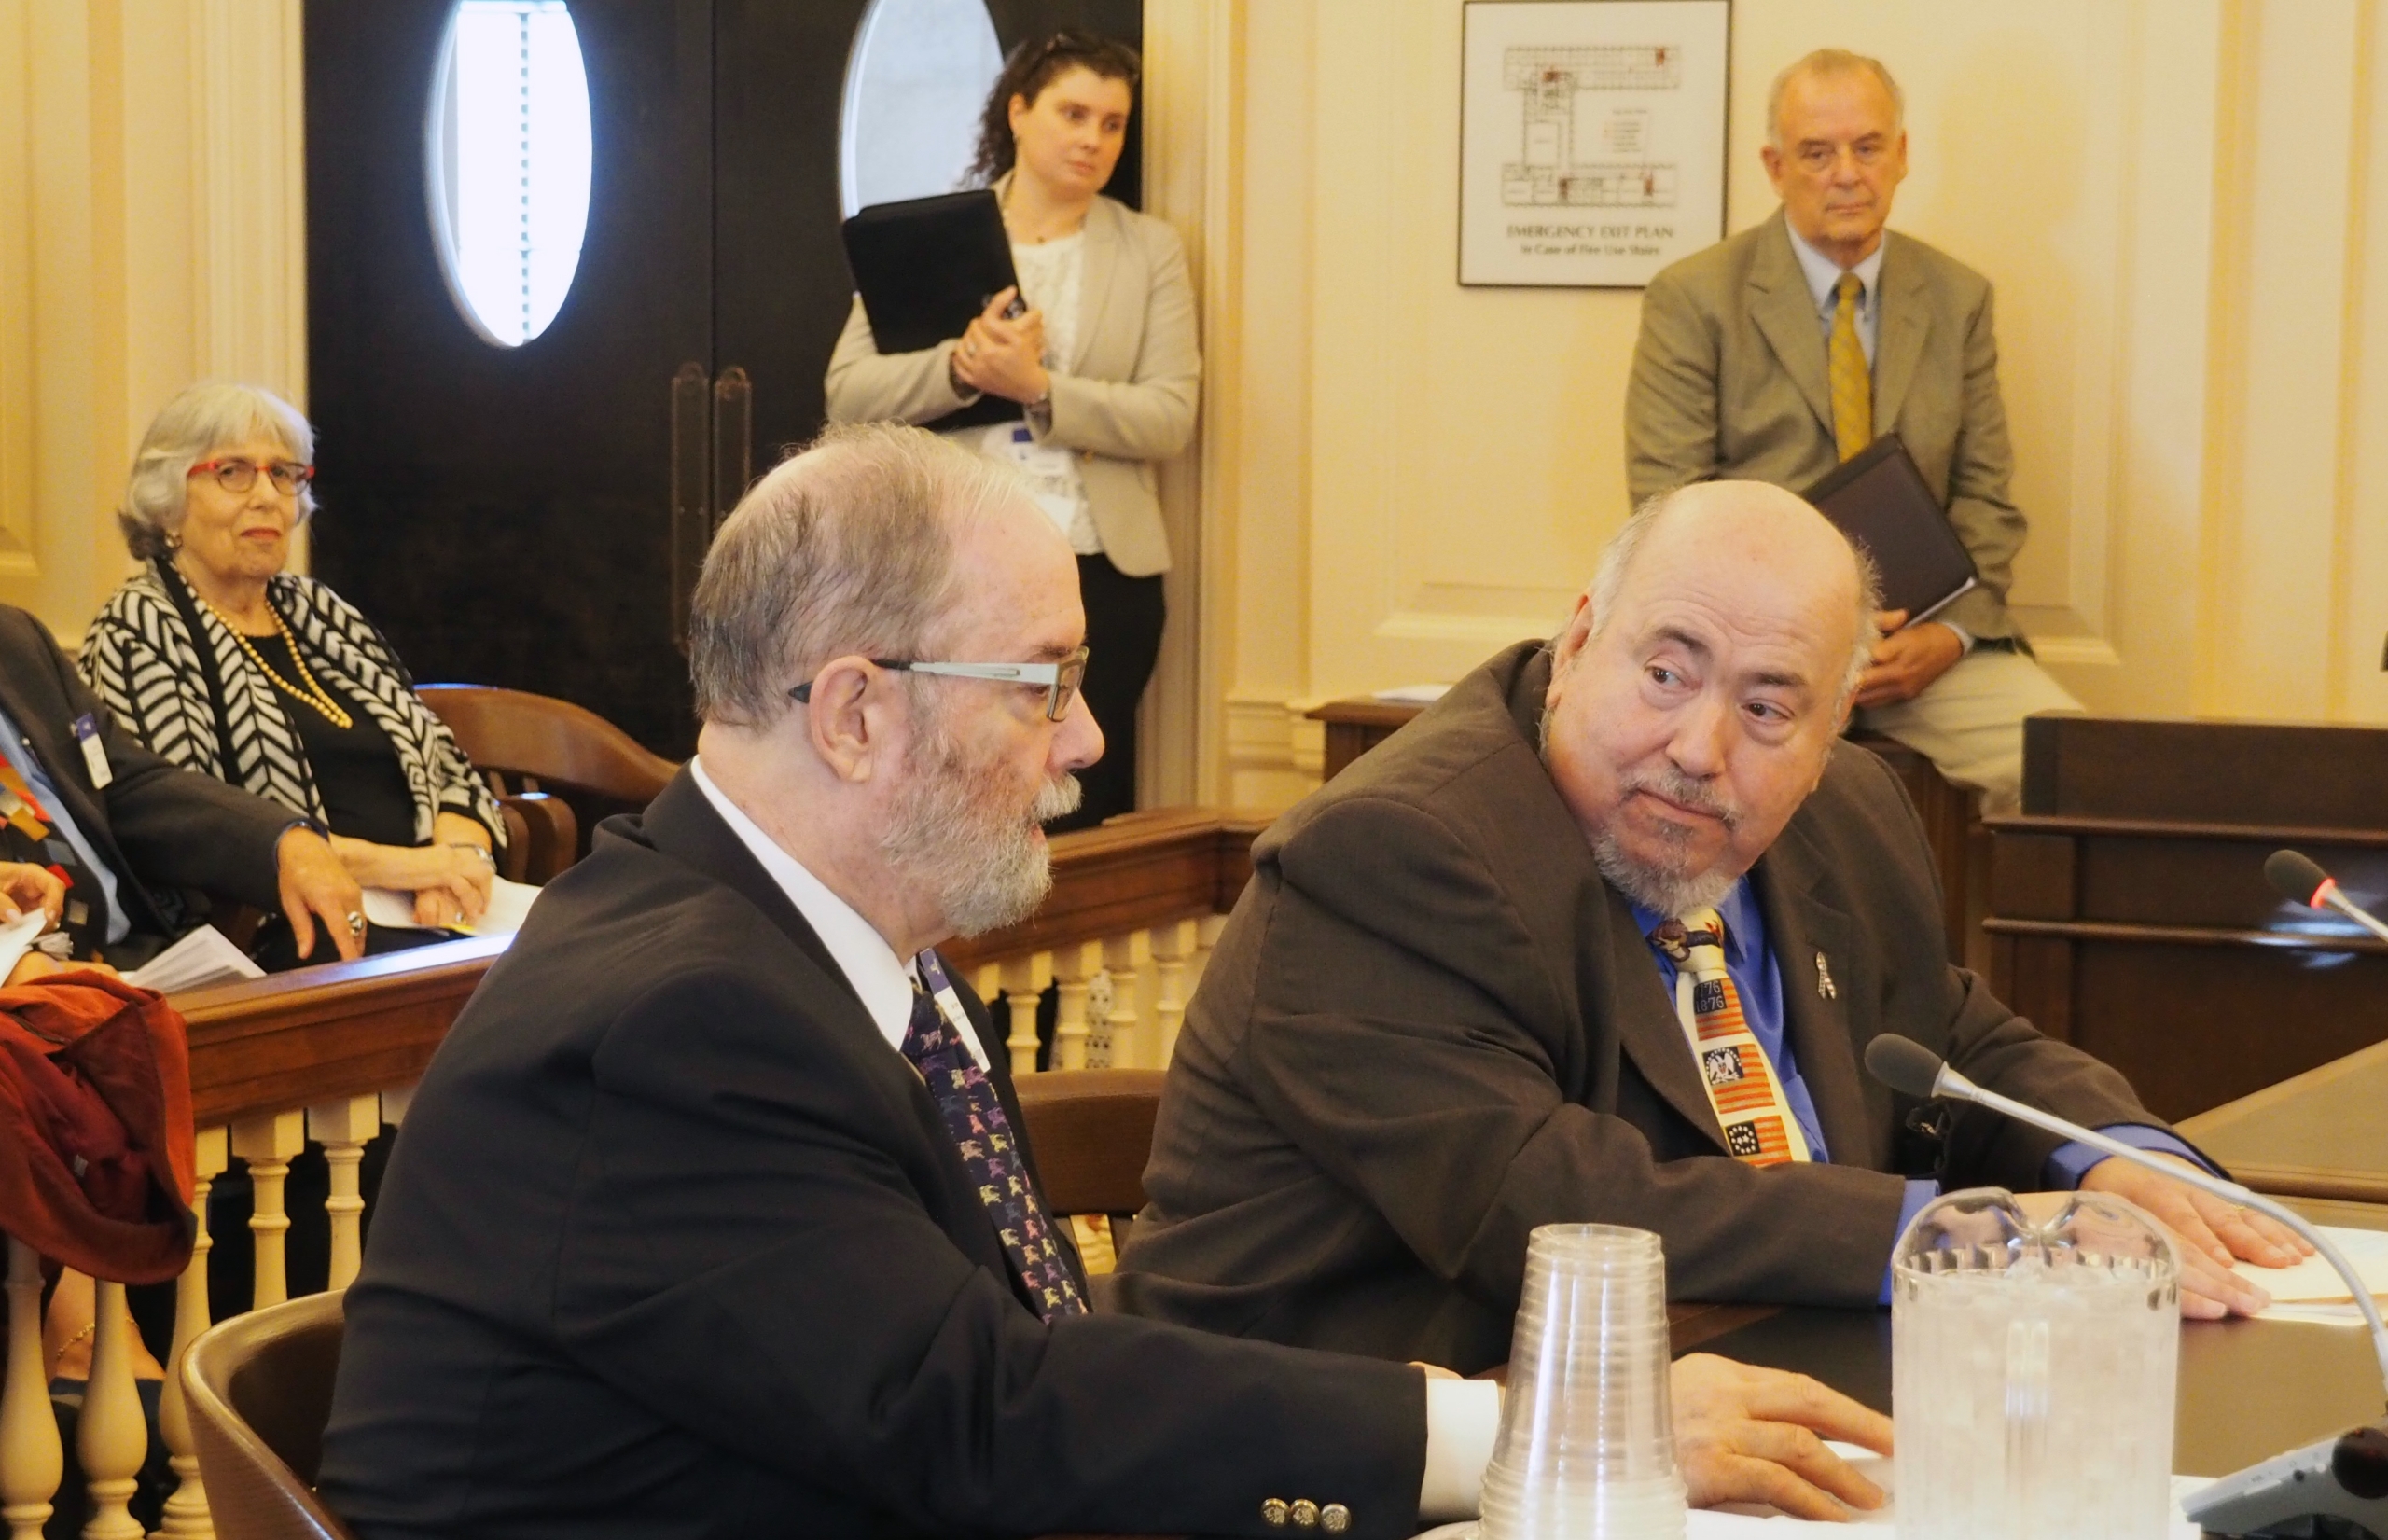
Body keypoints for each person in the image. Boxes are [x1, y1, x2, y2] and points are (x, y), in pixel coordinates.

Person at [318, 425, 1904, 1537]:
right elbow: (990, 1413)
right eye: (1045, 683)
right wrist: (1541, 1424)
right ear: (858, 715)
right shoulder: (674, 1023)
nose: (1085, 738)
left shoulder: (848, 966)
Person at [1108, 480, 2307, 1377]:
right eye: (1667, 673)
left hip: (1758, 1382)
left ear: (1832, 729)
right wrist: (1959, 1234)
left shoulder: (1846, 810)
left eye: (1768, 707)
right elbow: (1550, 1203)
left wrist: (2111, 1159)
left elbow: (1954, 1042)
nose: (1697, 749)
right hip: (1371, 1440)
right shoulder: (1393, 852)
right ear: (1580, 640)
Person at [1624, 49, 2080, 813]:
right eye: (1817, 153)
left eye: (1868, 148)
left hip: (1918, 651)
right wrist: (1796, 636)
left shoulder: (1958, 298)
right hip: (1748, 653)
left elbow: (1987, 500)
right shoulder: (1693, 299)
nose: (1846, 174)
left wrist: (1951, 637)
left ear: (1901, 156)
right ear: (1775, 167)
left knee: (2080, 769)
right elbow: (1668, 507)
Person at [826, 31, 1197, 831]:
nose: (1094, 139)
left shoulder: (1151, 250)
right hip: (953, 563)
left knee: (1079, 796)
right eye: (1074, 114)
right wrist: (963, 369)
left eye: (1113, 123)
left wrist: (1039, 389)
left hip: (1103, 570)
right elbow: (848, 394)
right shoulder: (931, 238)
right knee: (962, 793)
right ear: (1019, 113)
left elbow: (1171, 415)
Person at [80, 382, 505, 966]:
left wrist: (459, 867)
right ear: (167, 502)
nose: (267, 496)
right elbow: (196, 833)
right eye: (232, 472)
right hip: (282, 930)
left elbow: (449, 768)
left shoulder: (320, 611)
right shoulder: (140, 628)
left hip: (427, 908)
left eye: (283, 474)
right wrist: (413, 867)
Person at [0, 600, 361, 970]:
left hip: (135, 960)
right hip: (32, 982)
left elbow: (125, 784)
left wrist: (282, 840)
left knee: (348, 969)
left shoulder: (15, 635)